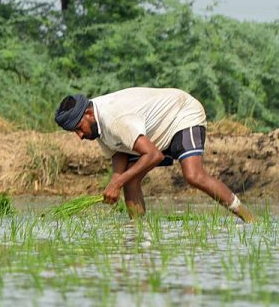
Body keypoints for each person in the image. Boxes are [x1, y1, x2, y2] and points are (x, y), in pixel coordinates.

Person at [54, 87, 255, 222]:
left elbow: (154, 155)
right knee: (130, 181)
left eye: (78, 129)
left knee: (194, 176)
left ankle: (250, 219)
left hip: (181, 113)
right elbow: (118, 152)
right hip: (154, 129)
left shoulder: (114, 120)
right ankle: (139, 232)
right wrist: (115, 181)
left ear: (88, 114)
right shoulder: (95, 123)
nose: (79, 136)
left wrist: (116, 184)